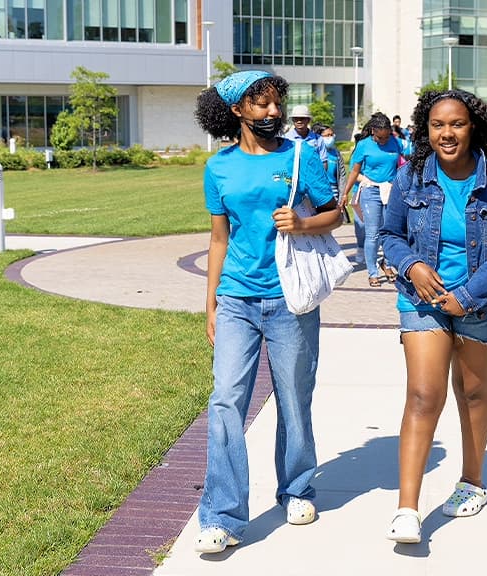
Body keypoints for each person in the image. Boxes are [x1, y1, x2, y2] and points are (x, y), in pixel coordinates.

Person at [192, 70, 342, 554]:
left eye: (277, 103)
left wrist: (301, 223)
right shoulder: (219, 168)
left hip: (289, 298)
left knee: (295, 397)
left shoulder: (301, 156)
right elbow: (219, 239)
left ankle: (297, 488)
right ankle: (222, 515)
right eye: (261, 105)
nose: (273, 112)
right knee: (225, 401)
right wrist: (211, 302)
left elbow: (335, 213)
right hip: (237, 298)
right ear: (237, 110)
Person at [379, 89, 487, 544]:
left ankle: (472, 482)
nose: (447, 133)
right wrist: (412, 265)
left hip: (481, 304)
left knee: (471, 392)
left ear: (472, 128)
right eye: (437, 125)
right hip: (421, 299)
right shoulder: (410, 177)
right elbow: (390, 233)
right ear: (425, 131)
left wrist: (466, 295)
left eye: (457, 124)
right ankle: (407, 508)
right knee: (423, 395)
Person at [341, 112, 402, 286]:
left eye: (386, 137)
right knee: (373, 234)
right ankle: (372, 271)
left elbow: (408, 160)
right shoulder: (364, 145)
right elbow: (354, 171)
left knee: (390, 232)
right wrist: (345, 193)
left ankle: (387, 264)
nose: (383, 141)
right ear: (373, 131)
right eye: (379, 137)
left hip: (390, 191)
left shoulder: (395, 142)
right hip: (371, 191)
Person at [285, 104, 328, 171]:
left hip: (313, 178)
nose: (299, 121)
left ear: (308, 120)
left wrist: (320, 179)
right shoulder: (285, 139)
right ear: (293, 120)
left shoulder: (318, 139)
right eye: (296, 119)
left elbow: (323, 162)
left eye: (302, 118)